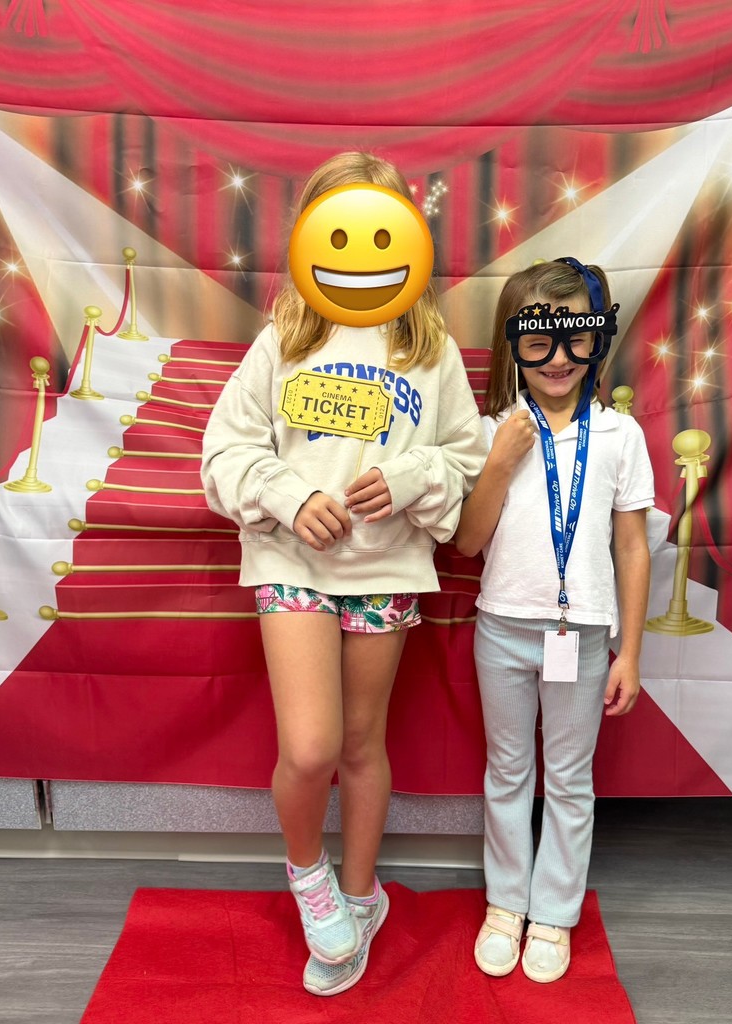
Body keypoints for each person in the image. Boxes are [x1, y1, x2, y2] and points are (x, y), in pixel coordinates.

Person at [201, 152, 486, 996]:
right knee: (313, 745)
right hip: (293, 564)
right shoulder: (284, 337)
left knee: (362, 746)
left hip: (387, 566)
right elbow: (225, 451)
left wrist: (406, 479)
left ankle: (362, 895)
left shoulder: (426, 348)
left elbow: (463, 458)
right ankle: (307, 874)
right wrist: (286, 496)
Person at [454, 258, 653, 983]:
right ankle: (505, 903)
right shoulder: (489, 431)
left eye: (577, 339)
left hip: (585, 634)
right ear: (514, 345)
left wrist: (629, 650)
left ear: (596, 342)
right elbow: (467, 541)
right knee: (507, 771)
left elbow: (631, 547)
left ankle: (554, 913)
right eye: (539, 341)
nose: (559, 359)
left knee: (568, 780)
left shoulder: (618, 434)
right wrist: (499, 463)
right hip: (501, 626)